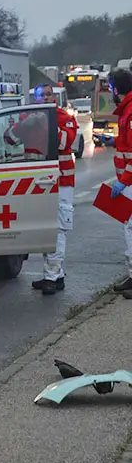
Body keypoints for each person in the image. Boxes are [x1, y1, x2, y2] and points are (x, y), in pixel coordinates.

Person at [6, 83, 77, 295]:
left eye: (49, 95)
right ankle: (57, 275)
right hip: (37, 183)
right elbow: (9, 139)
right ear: (34, 98)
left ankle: (52, 277)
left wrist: (47, 123)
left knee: (57, 229)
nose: (46, 98)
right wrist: (25, 125)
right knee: (45, 229)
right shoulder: (27, 118)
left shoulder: (64, 117)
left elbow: (65, 141)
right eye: (42, 95)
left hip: (60, 181)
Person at [107, 68, 132, 295]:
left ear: (116, 88)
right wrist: (113, 140)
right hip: (128, 182)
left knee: (131, 228)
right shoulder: (126, 112)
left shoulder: (131, 112)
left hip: (131, 182)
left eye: (109, 86)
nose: (109, 91)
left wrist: (124, 180)